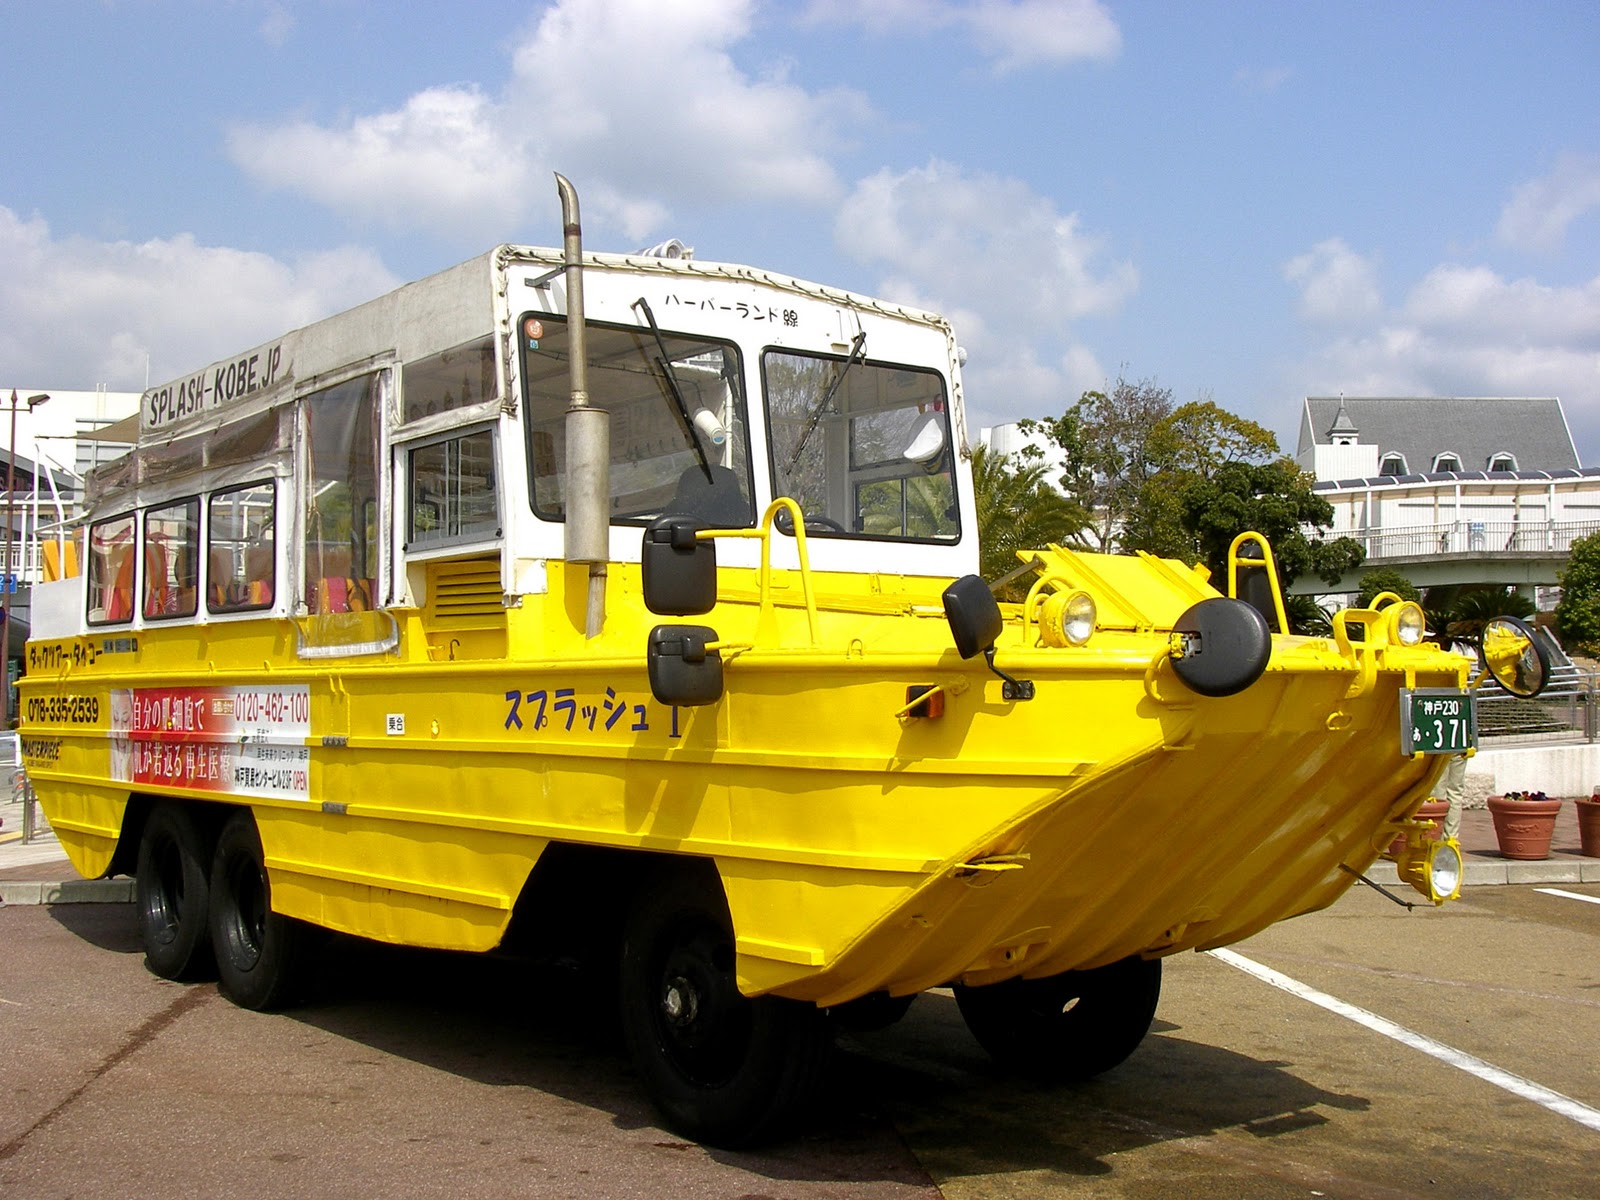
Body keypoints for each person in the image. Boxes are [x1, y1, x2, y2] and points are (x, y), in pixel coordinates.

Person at [1438, 752, 1467, 841]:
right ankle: (1451, 839)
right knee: (1455, 793)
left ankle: (1436, 838)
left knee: (1438, 794)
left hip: (1438, 748)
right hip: (1460, 744)